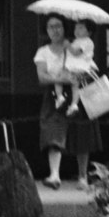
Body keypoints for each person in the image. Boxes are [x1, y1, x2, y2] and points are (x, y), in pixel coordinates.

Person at [36, 14, 96, 190]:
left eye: (58, 26)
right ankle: (54, 175)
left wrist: (75, 76)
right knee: (53, 132)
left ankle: (83, 177)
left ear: (64, 28)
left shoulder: (77, 44)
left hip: (78, 92)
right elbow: (41, 77)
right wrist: (60, 78)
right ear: (46, 30)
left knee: (82, 134)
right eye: (50, 27)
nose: (55, 30)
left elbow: (89, 67)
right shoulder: (43, 51)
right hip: (56, 93)